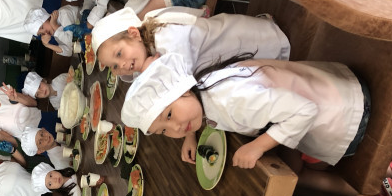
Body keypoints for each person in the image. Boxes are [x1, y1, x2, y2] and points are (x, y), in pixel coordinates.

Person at [121, 52, 369, 169]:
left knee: (313, 164)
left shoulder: (234, 101)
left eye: (169, 115)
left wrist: (256, 147)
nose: (174, 127)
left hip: (346, 114)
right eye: (164, 131)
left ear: (183, 90)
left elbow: (304, 110)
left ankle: (382, 171)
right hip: (334, 87)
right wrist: (189, 134)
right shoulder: (204, 87)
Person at [92, 6, 290, 80]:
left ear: (134, 33)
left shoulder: (166, 37)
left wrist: (150, 72)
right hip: (229, 37)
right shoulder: (148, 31)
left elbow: (184, 81)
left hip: (260, 45)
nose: (122, 65)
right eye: (114, 67)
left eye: (119, 54)